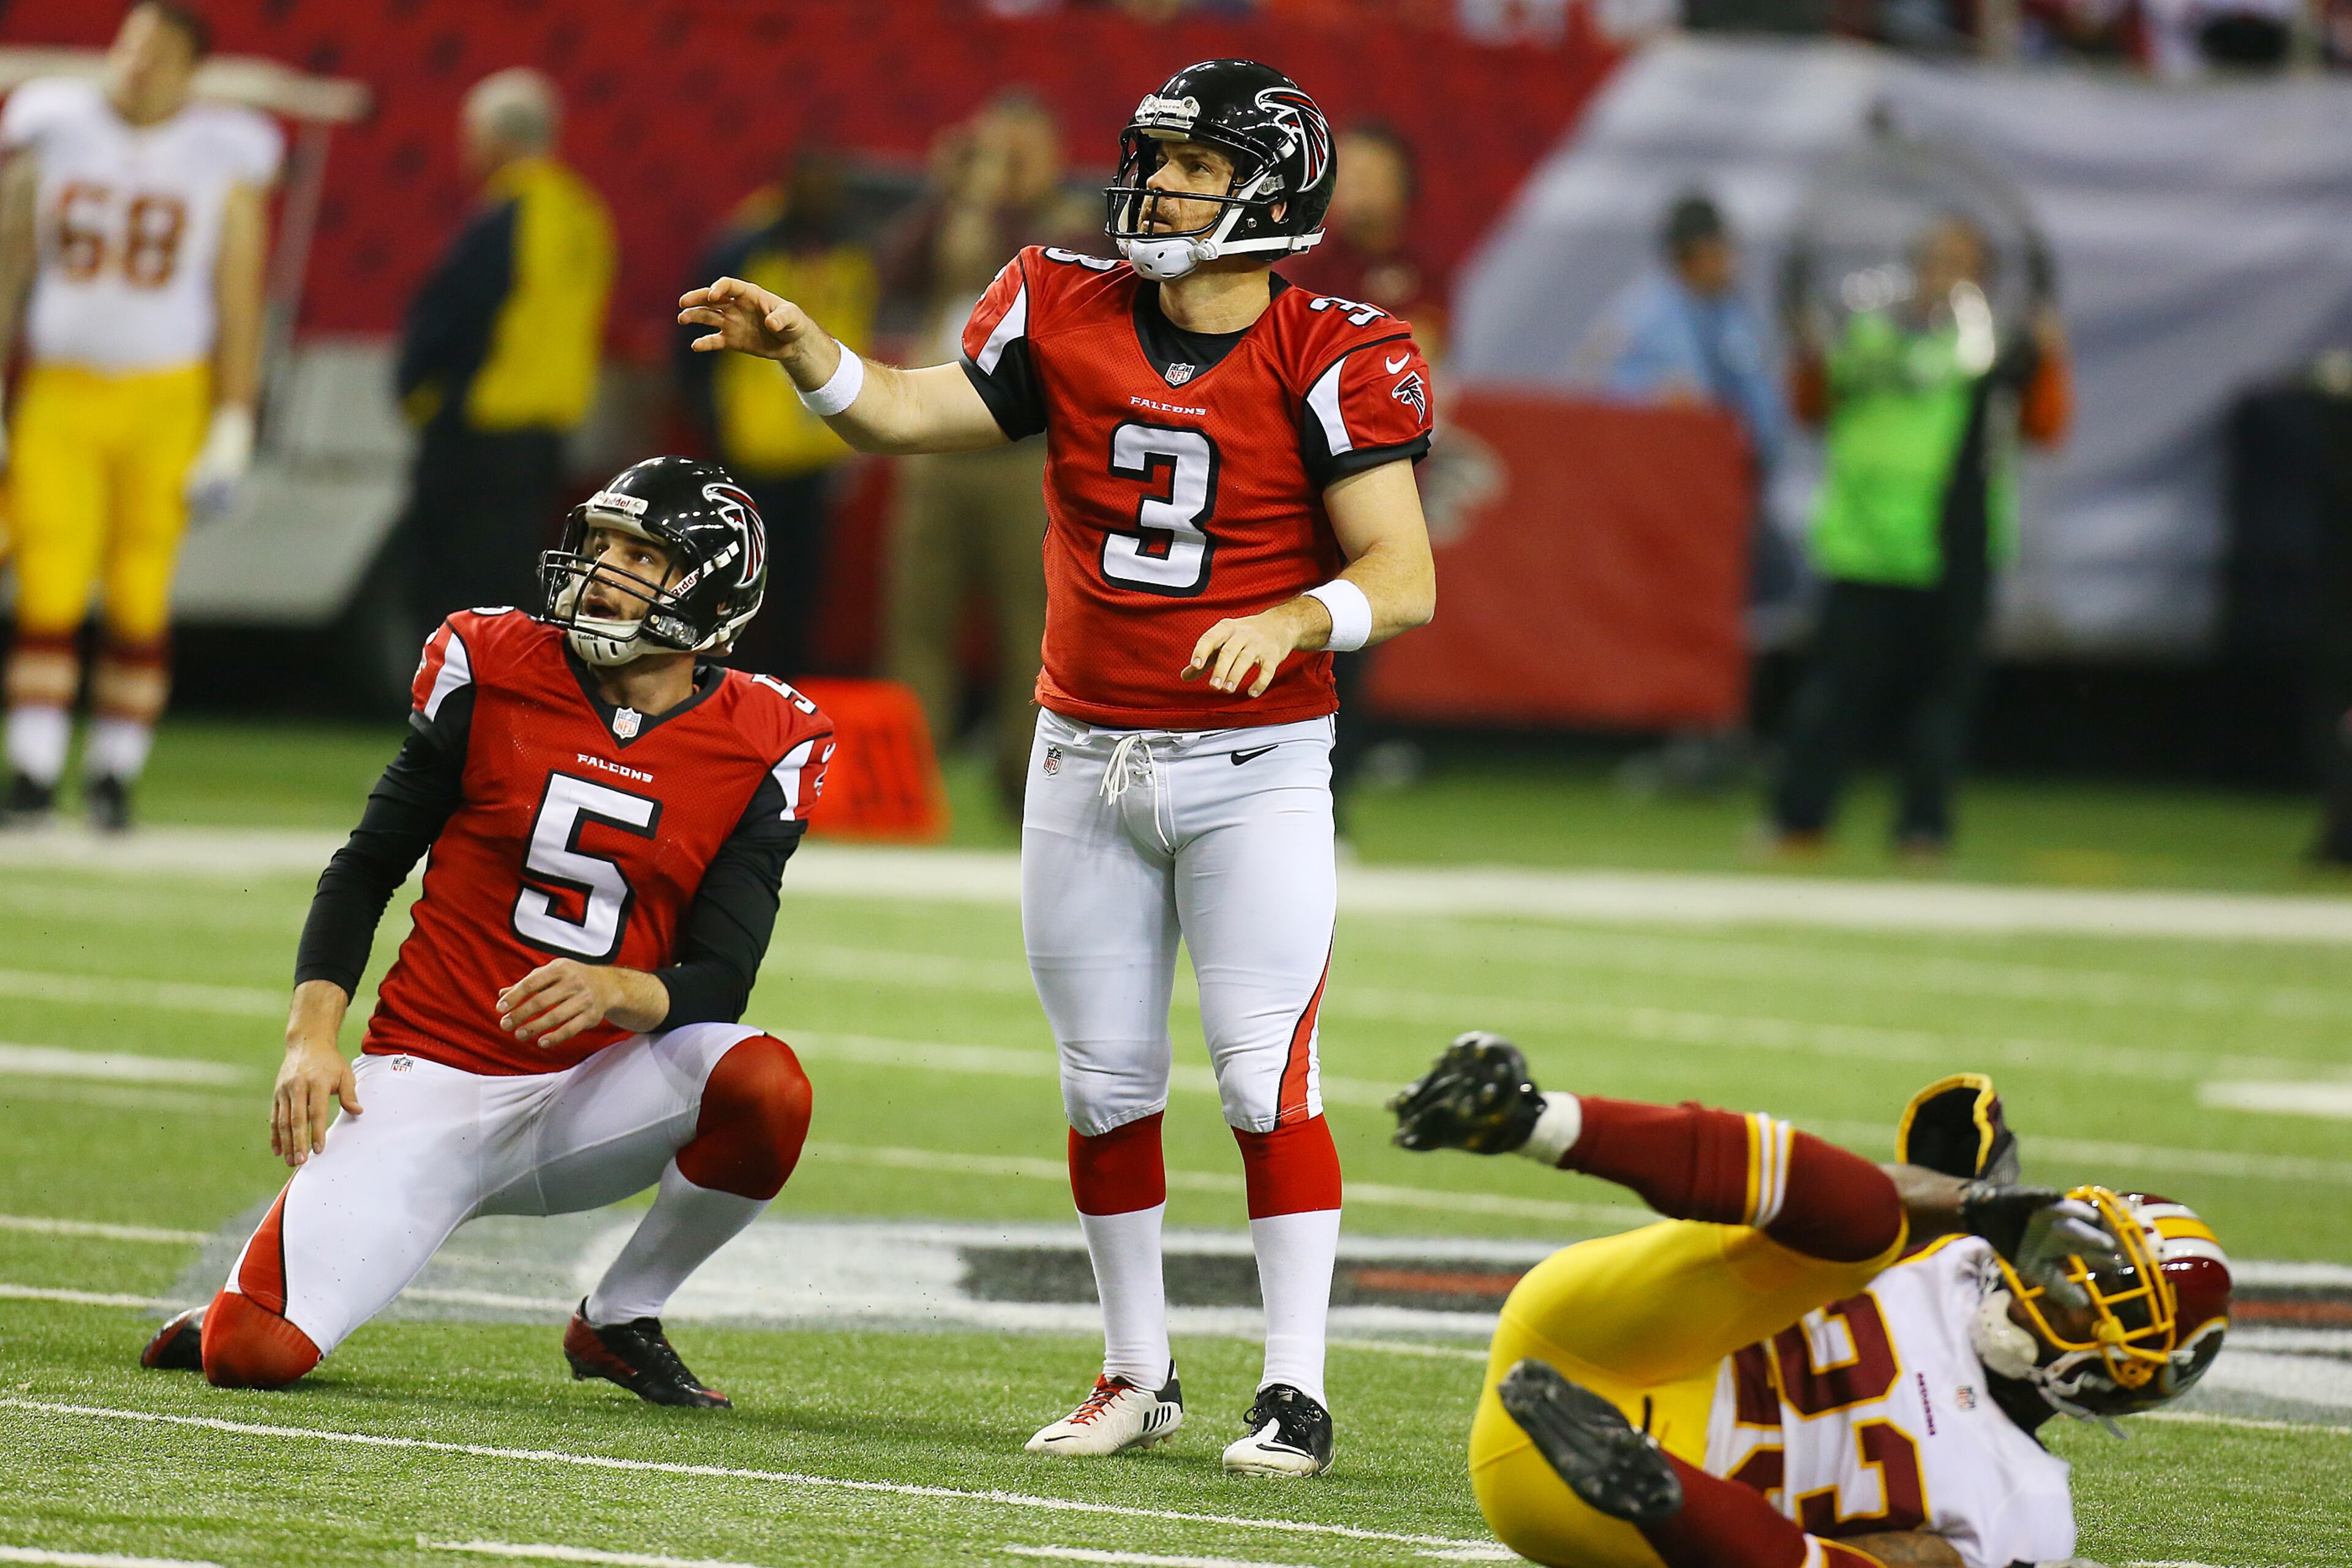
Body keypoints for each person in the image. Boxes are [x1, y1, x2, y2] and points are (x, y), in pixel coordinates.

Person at [682, 59, 1438, 1475]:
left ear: (1269, 193)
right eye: (1153, 160)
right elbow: (908, 412)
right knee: (1103, 1082)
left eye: (1194, 168)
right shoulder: (1062, 298)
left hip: (1252, 764)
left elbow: (1403, 574)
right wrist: (807, 351)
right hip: (1081, 754)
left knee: (1268, 1077)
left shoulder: (1334, 345)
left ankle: (1292, 1386)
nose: (1155, 187)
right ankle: (1135, 1368)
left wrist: (1288, 615)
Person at [138, 457, 835, 1403]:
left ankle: (620, 1317)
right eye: (600, 546)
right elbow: (366, 865)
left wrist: (618, 988)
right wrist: (310, 1037)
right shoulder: (495, 665)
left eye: (642, 555)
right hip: (426, 1080)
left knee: (765, 1085)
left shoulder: (768, 739)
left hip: (595, 1091)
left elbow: (724, 975)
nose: (602, 571)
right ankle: (256, 1295)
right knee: (248, 1360)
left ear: (710, 586)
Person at [1389, 1035, 2233, 1568]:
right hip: (1617, 1329)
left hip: (1616, 1490)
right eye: (2074, 1254)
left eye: (2094, 1293)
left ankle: (1666, 1495)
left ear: (2116, 1370)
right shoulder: (1963, 1254)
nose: (2051, 1277)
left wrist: (1674, 1502)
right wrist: (1966, 1202)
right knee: (1868, 1214)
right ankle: (1537, 1121)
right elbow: (1856, 1194)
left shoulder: (2022, 1506)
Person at [0, 1, 277, 831]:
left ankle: (115, 777)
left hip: (167, 395)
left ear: (192, 71)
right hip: (61, 387)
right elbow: (7, 268)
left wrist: (233, 418)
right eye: (130, 47)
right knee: (47, 576)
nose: (136, 66)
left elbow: (239, 300)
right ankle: (34, 772)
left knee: (138, 591)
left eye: (157, 54)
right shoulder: (54, 129)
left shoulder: (224, 155)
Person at [1766, 216, 2071, 861]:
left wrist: (2049, 356)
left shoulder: (2000, 348)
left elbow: (2046, 427)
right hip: (1867, 545)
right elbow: (1811, 405)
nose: (1944, 274)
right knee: (1832, 698)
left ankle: (1923, 829)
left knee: (1942, 705)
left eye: (1961, 262)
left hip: (1958, 547)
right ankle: (1799, 821)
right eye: (1934, 260)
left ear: (1984, 278)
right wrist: (1807, 351)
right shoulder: (1869, 339)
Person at [876, 89, 1096, 815]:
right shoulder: (955, 210)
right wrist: (947, 196)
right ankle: (908, 780)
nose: (1000, 164)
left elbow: (1049, 278)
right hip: (936, 447)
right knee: (917, 622)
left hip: (1023, 454)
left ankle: (1025, 786)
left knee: (1030, 629)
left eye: (1016, 149)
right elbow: (893, 270)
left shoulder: (1074, 222)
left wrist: (986, 202)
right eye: (991, 147)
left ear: (1051, 153)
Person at [394, 67, 614, 638]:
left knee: (454, 588)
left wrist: (414, 386)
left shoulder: (505, 217)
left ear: (495, 139)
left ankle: (450, 710)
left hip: (482, 431)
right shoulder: (586, 215)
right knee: (514, 587)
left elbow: (455, 316)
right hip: (547, 434)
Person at [676, 148, 878, 677]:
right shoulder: (745, 249)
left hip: (816, 450)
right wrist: (715, 427)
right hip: (750, 452)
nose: (823, 197)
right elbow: (691, 346)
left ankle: (789, 690)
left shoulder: (851, 251)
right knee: (736, 578)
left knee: (803, 588)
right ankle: (722, 684)